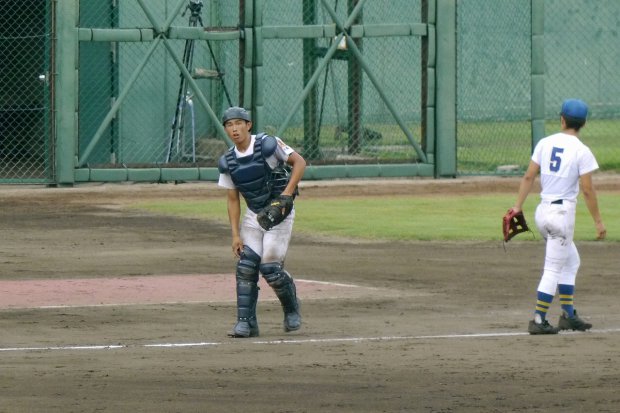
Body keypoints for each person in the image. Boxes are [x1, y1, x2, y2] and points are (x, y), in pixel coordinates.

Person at [510, 98, 606, 335]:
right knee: (553, 268)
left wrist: (517, 207)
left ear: (562, 119)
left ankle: (568, 315)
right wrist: (598, 221)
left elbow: (528, 177)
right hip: (561, 216)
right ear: (583, 123)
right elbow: (587, 189)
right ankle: (538, 318)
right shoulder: (582, 151)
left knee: (571, 261)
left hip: (542, 213)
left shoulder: (545, 142)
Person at [217, 106, 306, 338]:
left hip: (280, 216)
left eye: (239, 123)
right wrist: (235, 235)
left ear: (248, 125)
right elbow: (232, 199)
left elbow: (300, 163)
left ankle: (291, 309)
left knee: (270, 269)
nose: (234, 129)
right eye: (229, 125)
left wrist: (286, 195)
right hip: (254, 216)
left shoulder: (268, 144)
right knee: (246, 266)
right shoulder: (228, 161)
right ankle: (246, 323)